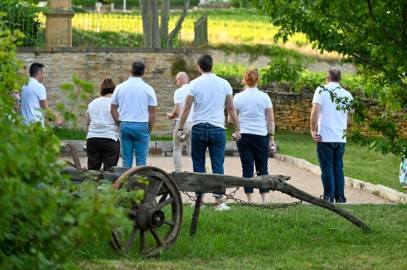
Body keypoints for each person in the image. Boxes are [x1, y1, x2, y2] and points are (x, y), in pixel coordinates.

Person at [177, 54, 241, 211]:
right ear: (212, 65)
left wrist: (180, 128)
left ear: (199, 67)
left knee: (198, 164)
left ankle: (199, 200)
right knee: (217, 164)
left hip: (198, 128)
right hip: (217, 128)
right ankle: (219, 201)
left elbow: (186, 108)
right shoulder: (224, 84)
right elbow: (231, 108)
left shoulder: (194, 84)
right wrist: (238, 128)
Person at [310, 68, 353, 203]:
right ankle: (340, 197)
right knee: (338, 167)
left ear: (327, 77)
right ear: (339, 79)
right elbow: (350, 115)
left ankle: (328, 197)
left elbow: (315, 110)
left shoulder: (322, 90)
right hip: (340, 137)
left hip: (325, 136)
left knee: (327, 167)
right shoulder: (347, 94)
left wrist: (313, 129)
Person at [233, 69, 275, 204]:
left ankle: (249, 200)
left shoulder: (238, 97)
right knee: (263, 168)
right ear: (257, 80)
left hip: (243, 135)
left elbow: (230, 118)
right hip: (261, 135)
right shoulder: (265, 97)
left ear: (245, 80)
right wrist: (272, 138)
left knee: (247, 168)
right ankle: (264, 200)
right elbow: (271, 120)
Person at [111, 60, 157, 168]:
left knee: (126, 159)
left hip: (125, 124)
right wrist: (149, 128)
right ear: (144, 72)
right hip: (142, 125)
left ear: (130, 71)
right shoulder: (148, 89)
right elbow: (152, 112)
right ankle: (139, 183)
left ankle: (126, 183)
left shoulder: (120, 87)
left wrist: (119, 123)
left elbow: (112, 108)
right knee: (141, 160)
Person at [86, 78, 120, 171]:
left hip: (93, 138)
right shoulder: (116, 104)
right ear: (114, 89)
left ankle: (91, 184)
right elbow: (119, 121)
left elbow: (88, 123)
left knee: (92, 170)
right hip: (110, 138)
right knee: (109, 170)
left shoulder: (92, 103)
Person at [20, 63, 62, 127]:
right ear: (39, 73)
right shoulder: (39, 86)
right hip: (35, 127)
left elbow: (33, 107)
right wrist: (55, 119)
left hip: (24, 126)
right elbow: (45, 108)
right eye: (44, 73)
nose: (44, 76)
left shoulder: (24, 86)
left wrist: (52, 116)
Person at [167, 72, 193, 172]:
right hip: (194, 124)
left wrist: (171, 116)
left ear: (181, 80)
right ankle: (196, 171)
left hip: (182, 124)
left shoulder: (179, 91)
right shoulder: (194, 89)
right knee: (193, 151)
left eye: (177, 80)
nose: (176, 82)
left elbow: (177, 110)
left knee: (177, 148)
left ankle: (178, 171)